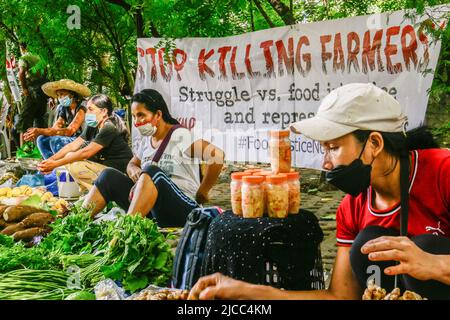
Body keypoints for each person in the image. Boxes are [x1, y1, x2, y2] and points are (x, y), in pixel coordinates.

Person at [189, 83, 450, 300]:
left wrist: (435, 265)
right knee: (368, 242)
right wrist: (250, 292)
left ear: (374, 143)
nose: (326, 163)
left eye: (333, 148)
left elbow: (431, 260)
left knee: (427, 246)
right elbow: (340, 297)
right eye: (324, 149)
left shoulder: (443, 172)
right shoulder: (351, 208)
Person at [82, 89, 225, 227]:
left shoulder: (180, 135)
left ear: (158, 114)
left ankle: (125, 230)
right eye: (134, 116)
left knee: (151, 171)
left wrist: (203, 191)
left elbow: (217, 155)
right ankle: (78, 220)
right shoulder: (147, 139)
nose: (137, 122)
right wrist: (133, 169)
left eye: (141, 115)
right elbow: (132, 163)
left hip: (183, 208)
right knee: (108, 176)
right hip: (154, 210)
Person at [38, 94, 133, 192]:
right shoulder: (94, 125)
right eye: (87, 109)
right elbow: (73, 145)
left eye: (91, 109)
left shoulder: (109, 127)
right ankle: (88, 194)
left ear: (104, 111)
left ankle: (99, 194)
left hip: (120, 174)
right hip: (105, 169)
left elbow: (86, 152)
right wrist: (49, 161)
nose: (88, 113)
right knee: (69, 156)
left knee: (74, 165)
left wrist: (55, 164)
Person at [23, 79, 90, 159]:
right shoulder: (64, 108)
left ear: (71, 95)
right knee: (41, 139)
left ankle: (59, 165)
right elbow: (56, 128)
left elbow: (70, 130)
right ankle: (51, 166)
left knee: (55, 140)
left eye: (62, 94)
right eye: (58, 95)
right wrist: (38, 133)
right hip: (72, 140)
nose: (59, 98)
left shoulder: (82, 106)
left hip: (84, 141)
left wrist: (39, 130)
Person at [16, 42, 48, 138]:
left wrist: (25, 88)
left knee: (24, 118)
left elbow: (21, 73)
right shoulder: (39, 57)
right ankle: (42, 145)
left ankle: (25, 149)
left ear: (22, 48)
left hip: (32, 89)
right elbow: (45, 72)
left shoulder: (24, 58)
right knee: (40, 117)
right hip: (43, 88)